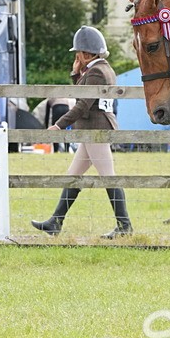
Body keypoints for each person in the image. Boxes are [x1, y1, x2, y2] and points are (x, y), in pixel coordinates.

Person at [31, 26, 133, 238]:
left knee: (108, 177)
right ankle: (55, 222)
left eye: (78, 52)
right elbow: (82, 94)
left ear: (87, 53)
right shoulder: (103, 68)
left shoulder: (96, 72)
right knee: (73, 176)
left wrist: (58, 125)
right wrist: (76, 73)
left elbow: (82, 105)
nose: (76, 55)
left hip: (95, 129)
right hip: (92, 128)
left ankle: (125, 226)